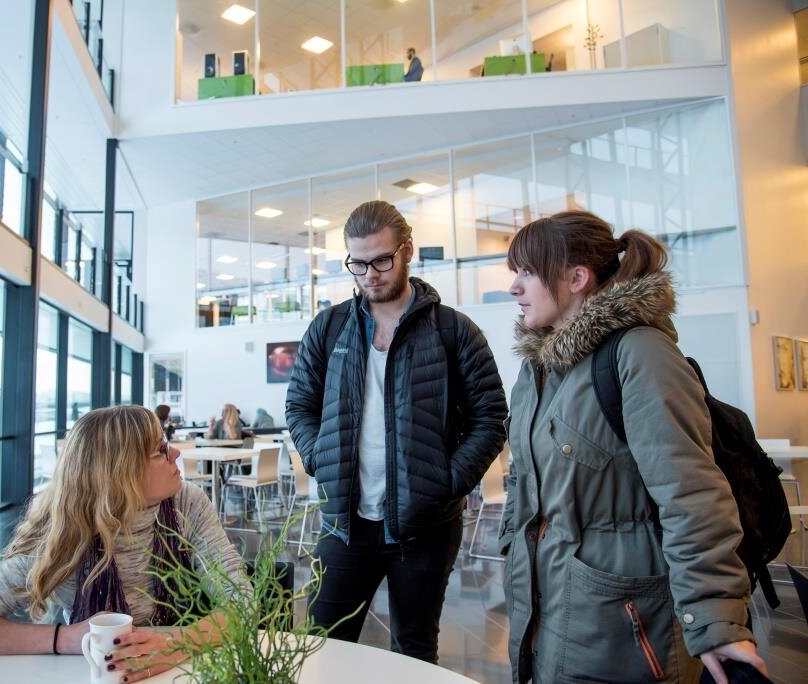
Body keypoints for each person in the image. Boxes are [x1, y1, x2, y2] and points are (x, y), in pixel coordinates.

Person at [499, 210, 767, 684]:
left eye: (527, 272)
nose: (513, 287)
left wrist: (714, 618)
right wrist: (511, 540)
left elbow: (691, 494)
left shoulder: (640, 352)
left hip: (624, 622)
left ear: (577, 278)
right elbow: (523, 473)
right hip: (547, 606)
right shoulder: (538, 368)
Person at [286, 200, 507, 663]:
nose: (370, 274)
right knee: (321, 647)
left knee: (413, 650)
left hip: (425, 528)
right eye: (358, 263)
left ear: (407, 250)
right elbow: (300, 405)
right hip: (345, 524)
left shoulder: (453, 331)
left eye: (382, 260)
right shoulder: (328, 328)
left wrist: (447, 482)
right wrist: (320, 457)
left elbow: (490, 416)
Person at [0, 406, 248, 681]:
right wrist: (65, 639)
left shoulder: (187, 503)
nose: (176, 453)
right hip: (89, 672)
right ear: (119, 474)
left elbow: (243, 602)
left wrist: (178, 644)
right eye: (159, 451)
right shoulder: (62, 538)